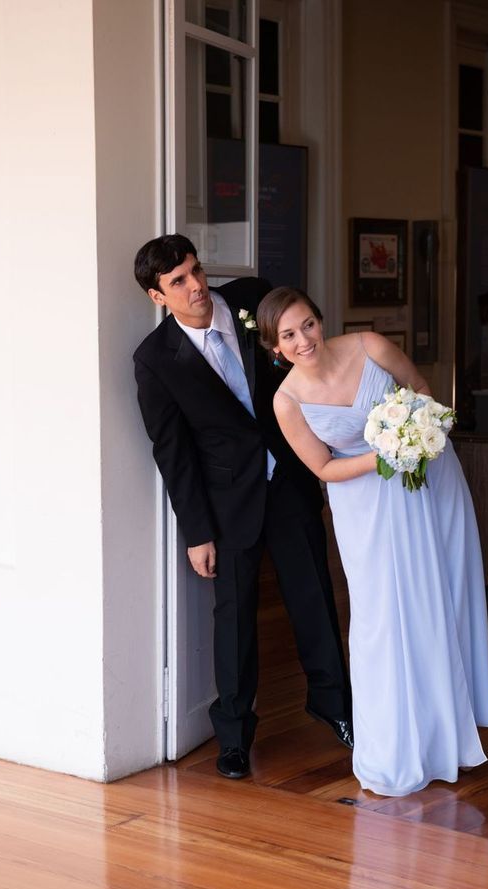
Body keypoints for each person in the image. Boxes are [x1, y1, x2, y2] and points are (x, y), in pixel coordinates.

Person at [257, 286, 488, 797]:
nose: (304, 340)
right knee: (383, 618)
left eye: (308, 325)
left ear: (321, 321)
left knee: (443, 598)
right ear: (274, 347)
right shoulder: (286, 401)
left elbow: (424, 391)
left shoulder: (370, 346)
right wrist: (387, 452)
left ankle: (448, 738)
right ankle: (394, 748)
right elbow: (323, 466)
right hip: (365, 508)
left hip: (431, 483)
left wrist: (414, 435)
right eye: (288, 335)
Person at [132, 235, 353, 781]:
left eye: (195, 270)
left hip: (292, 479)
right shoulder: (154, 360)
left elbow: (305, 361)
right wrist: (196, 532)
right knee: (233, 621)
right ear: (158, 296)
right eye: (178, 282)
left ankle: (336, 708)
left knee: (314, 599)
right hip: (227, 504)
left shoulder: (254, 298)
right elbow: (172, 450)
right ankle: (233, 735)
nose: (195, 286)